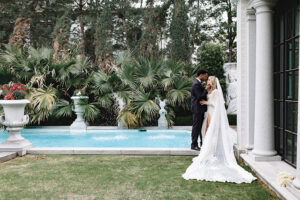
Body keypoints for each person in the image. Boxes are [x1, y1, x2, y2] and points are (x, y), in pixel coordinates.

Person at [182, 76, 256, 183]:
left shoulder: (216, 92)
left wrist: (206, 103)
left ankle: (213, 151)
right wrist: (206, 91)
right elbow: (203, 96)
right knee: (206, 132)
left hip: (213, 113)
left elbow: (217, 105)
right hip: (208, 113)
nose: (207, 82)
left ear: (212, 82)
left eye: (208, 80)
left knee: (212, 133)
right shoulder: (209, 90)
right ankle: (209, 150)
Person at [190, 69, 208, 151]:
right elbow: (200, 97)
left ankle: (201, 143)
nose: (206, 77)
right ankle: (194, 145)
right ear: (201, 75)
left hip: (200, 109)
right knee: (196, 127)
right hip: (197, 109)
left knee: (200, 127)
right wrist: (206, 89)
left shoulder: (198, 83)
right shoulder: (196, 84)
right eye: (205, 75)